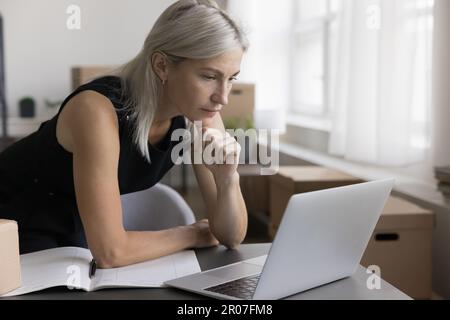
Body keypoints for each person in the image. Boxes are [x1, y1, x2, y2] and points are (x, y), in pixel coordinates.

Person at [0, 0, 249, 268]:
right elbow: (111, 252)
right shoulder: (96, 110)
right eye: (209, 76)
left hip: (71, 222)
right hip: (11, 219)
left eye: (232, 78)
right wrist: (193, 233)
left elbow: (231, 237)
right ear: (162, 66)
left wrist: (227, 179)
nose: (222, 97)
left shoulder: (201, 113)